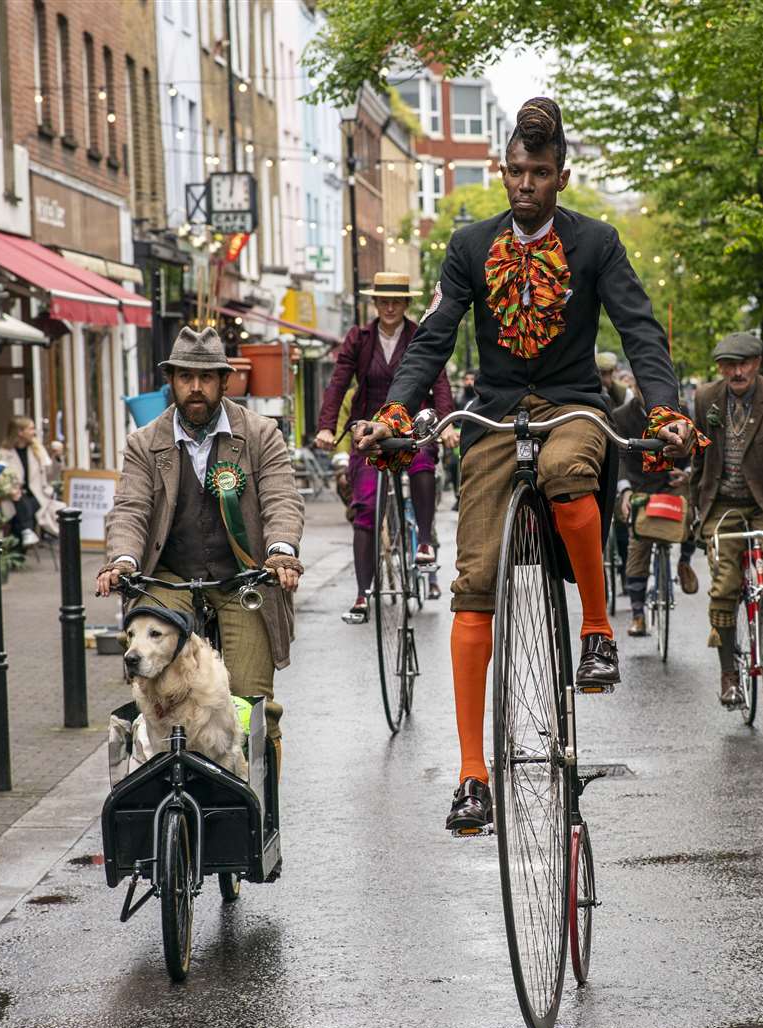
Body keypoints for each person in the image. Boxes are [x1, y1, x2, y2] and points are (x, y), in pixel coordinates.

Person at [354, 97, 698, 834]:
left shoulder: (597, 242)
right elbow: (435, 337)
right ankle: (473, 777)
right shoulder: (470, 245)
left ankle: (598, 628)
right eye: (515, 171)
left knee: (569, 473)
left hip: (573, 406)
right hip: (493, 414)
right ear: (501, 171)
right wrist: (397, 408)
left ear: (560, 176)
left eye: (539, 173)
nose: (525, 184)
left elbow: (639, 332)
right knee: (473, 583)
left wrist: (664, 409)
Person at [96, 326, 306, 771]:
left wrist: (281, 551)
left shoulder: (260, 434)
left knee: (253, 706)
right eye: (186, 377)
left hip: (242, 576)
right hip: (168, 576)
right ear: (171, 381)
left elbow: (281, 498)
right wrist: (123, 560)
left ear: (224, 381)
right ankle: (159, 782)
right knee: (157, 690)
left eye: (206, 377)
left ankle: (259, 807)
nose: (196, 387)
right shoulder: (144, 442)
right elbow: (130, 507)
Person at [316, 271, 458, 623]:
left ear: (407, 303)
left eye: (396, 300)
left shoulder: (419, 335)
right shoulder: (359, 339)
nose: (390, 306)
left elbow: (438, 379)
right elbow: (337, 385)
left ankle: (424, 542)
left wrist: (447, 422)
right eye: (383, 300)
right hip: (369, 432)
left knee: (423, 459)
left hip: (410, 428)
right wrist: (325, 427)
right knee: (364, 507)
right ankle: (363, 594)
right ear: (375, 303)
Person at [689, 332, 763, 708]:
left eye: (743, 364)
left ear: (757, 363)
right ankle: (729, 675)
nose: (736, 371)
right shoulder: (705, 399)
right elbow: (698, 455)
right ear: (720, 368)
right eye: (728, 365)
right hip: (722, 502)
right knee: (724, 585)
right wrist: (692, 506)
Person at [612, 392, 696, 636]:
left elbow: (695, 450)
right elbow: (619, 458)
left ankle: (685, 562)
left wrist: (688, 473)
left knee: (690, 512)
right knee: (638, 543)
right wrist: (625, 490)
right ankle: (638, 615)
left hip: (673, 482)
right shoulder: (622, 416)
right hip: (640, 486)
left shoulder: (681, 412)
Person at [0, 415, 58, 547]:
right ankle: (26, 533)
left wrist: (55, 457)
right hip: (11, 497)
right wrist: (10, 491)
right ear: (20, 432)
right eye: (31, 429)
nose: (34, 432)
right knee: (19, 499)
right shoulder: (3, 453)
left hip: (38, 496)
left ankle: (24, 534)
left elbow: (51, 475)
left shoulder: (37, 450)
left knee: (24, 504)